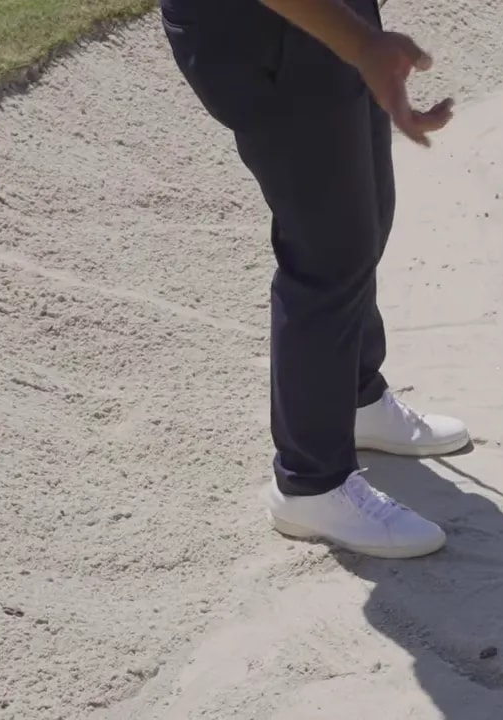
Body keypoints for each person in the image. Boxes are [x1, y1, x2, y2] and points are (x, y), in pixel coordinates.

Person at [158, 0, 466, 559]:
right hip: (263, 30)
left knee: (367, 220)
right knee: (328, 250)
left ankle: (355, 401)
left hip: (328, 18)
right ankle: (310, 484)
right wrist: (362, 45)